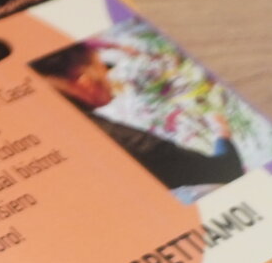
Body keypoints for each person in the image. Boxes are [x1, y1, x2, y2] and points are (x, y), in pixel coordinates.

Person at [34, 42, 246, 200]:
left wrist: (108, 46)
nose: (110, 75)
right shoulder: (126, 142)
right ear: (86, 84)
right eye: (103, 68)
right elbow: (225, 170)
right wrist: (221, 131)